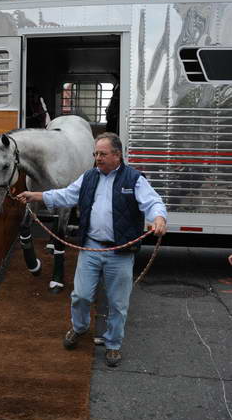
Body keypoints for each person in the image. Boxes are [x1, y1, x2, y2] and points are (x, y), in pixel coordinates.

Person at [16, 132, 167, 367]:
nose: (97, 158)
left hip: (120, 252)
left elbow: (153, 202)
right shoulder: (88, 177)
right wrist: (36, 195)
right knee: (81, 296)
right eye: (95, 153)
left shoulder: (134, 179)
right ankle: (79, 328)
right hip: (91, 249)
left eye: (102, 154)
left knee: (118, 303)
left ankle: (113, 345)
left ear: (117, 155)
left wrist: (159, 218)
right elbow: (66, 195)